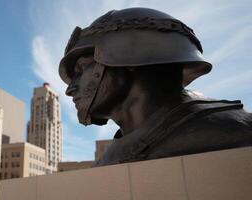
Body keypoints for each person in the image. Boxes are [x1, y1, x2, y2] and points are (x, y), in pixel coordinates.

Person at [59, 8, 252, 166]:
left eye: (81, 68)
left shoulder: (236, 131)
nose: (70, 89)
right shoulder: (108, 161)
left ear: (129, 54)